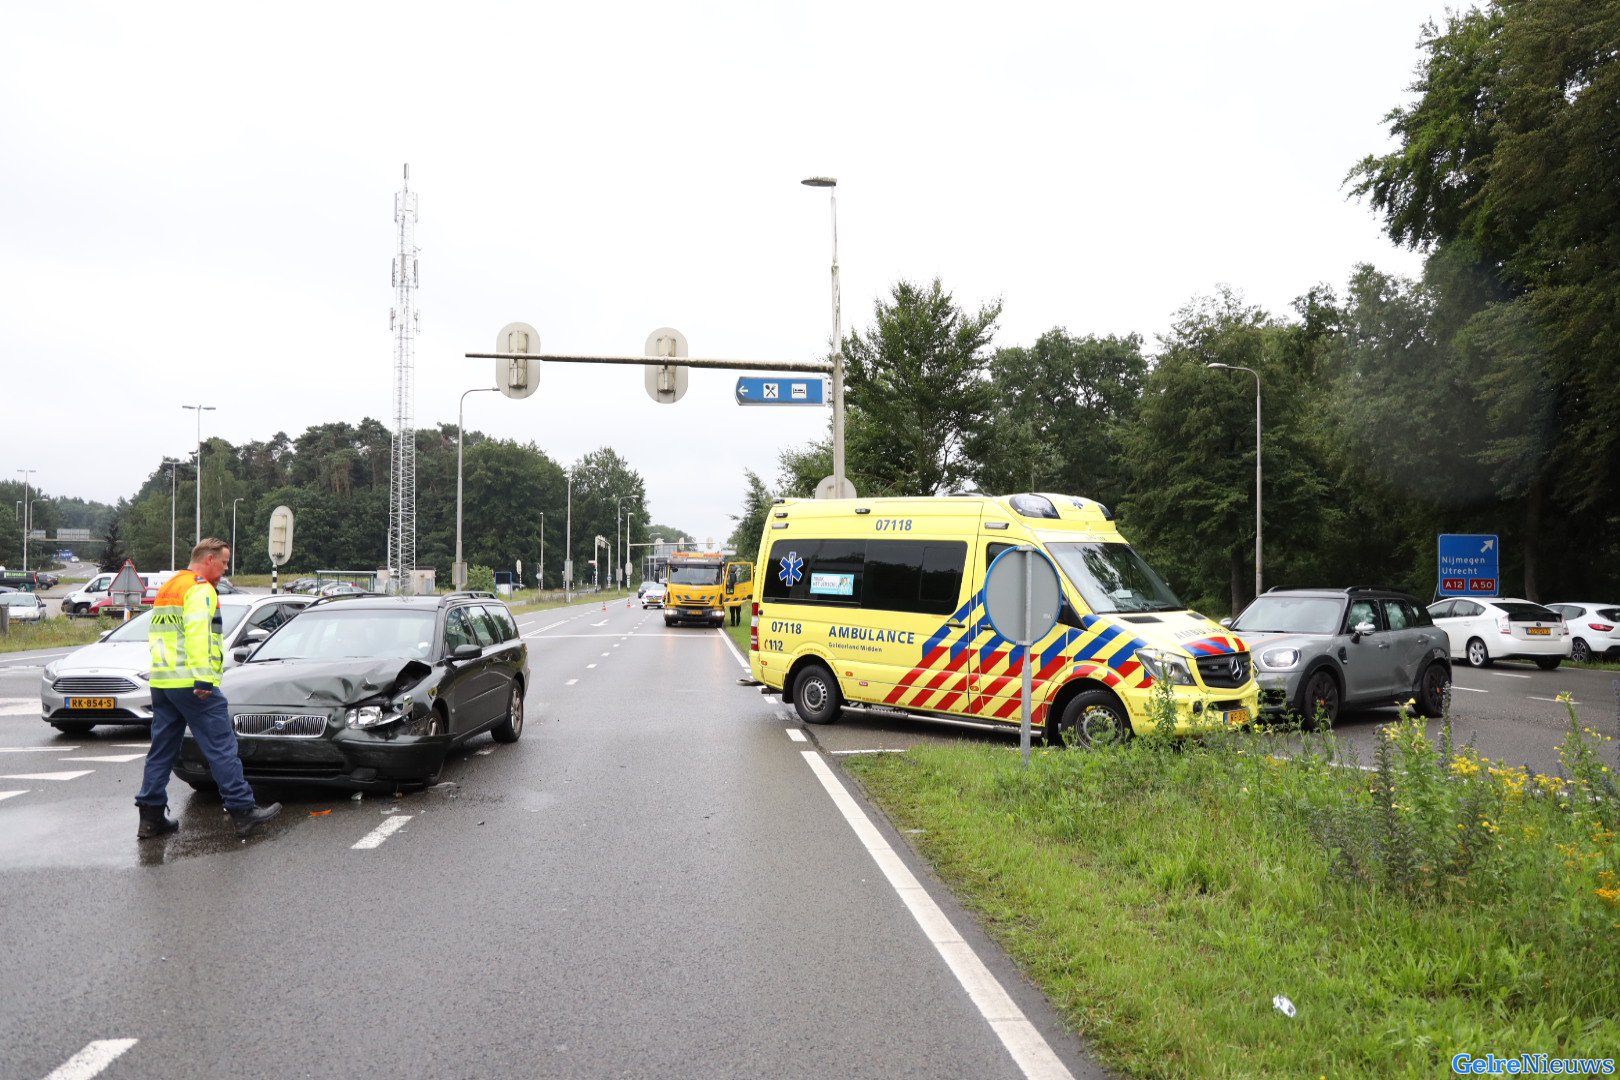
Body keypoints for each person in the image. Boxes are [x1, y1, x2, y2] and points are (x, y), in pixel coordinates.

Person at [134, 538, 281, 840]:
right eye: (224, 563)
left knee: (161, 751)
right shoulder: (200, 588)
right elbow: (199, 634)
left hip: (163, 681)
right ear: (210, 559)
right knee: (221, 747)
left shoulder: (170, 587)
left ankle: (150, 818)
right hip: (193, 683)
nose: (226, 569)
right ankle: (243, 810)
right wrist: (203, 678)